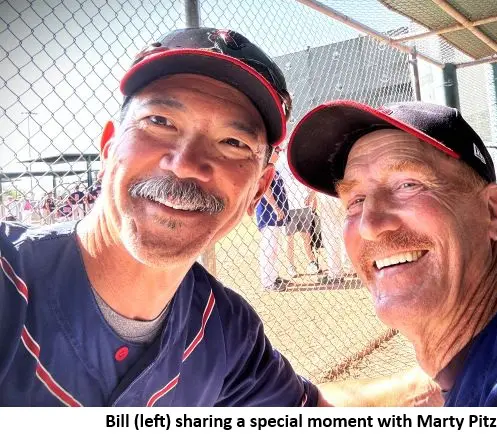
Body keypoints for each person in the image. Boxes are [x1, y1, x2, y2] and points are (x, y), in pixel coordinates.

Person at [0, 27, 441, 407]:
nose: (186, 163)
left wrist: (456, 375)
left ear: (260, 188)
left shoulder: (225, 331)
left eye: (233, 143)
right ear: (109, 146)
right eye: (160, 121)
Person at [287, 99, 497, 406]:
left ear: (493, 212)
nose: (370, 225)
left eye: (407, 185)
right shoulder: (483, 354)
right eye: (355, 200)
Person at [255, 145, 291, 291]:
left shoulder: (273, 169)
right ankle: (268, 282)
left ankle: (273, 276)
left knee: (275, 247)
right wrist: (276, 208)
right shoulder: (263, 169)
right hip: (267, 213)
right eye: (277, 151)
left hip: (274, 214)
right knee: (269, 248)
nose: (279, 154)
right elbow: (265, 190)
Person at [278, 158, 320, 276]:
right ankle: (291, 265)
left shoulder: (298, 159)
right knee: (289, 238)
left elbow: (308, 181)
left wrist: (313, 197)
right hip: (288, 207)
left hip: (303, 205)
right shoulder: (280, 162)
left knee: (306, 237)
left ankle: (312, 262)